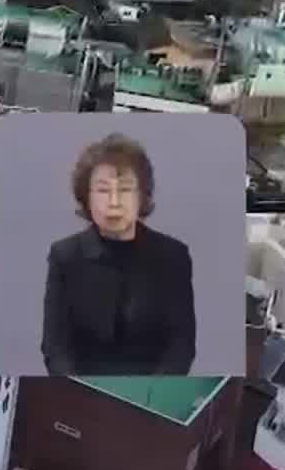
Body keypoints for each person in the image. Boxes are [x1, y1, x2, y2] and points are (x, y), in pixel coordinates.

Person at [40, 133, 195, 375]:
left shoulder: (173, 257)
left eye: (125, 190)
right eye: (103, 191)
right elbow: (55, 346)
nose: (114, 202)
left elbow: (181, 348)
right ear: (86, 198)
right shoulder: (65, 256)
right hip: (82, 389)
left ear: (142, 196)